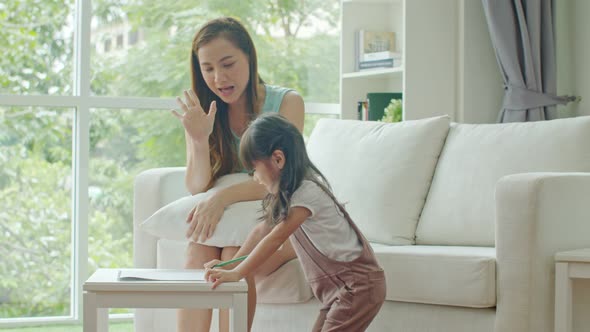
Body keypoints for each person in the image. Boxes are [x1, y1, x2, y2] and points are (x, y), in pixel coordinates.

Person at [171, 17, 303, 332]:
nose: (219, 77)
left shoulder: (286, 103)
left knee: (233, 254)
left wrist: (222, 197)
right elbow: (196, 185)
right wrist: (199, 139)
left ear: (249, 57)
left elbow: (282, 177)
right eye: (208, 68)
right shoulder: (206, 111)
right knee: (199, 249)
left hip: (283, 221)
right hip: (235, 221)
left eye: (228, 64)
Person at [204, 113, 387, 332]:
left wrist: (238, 273)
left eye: (254, 169)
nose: (255, 177)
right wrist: (230, 265)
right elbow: (261, 232)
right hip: (339, 290)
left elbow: (275, 239)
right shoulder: (290, 194)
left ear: (278, 159)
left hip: (358, 286)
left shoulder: (306, 192)